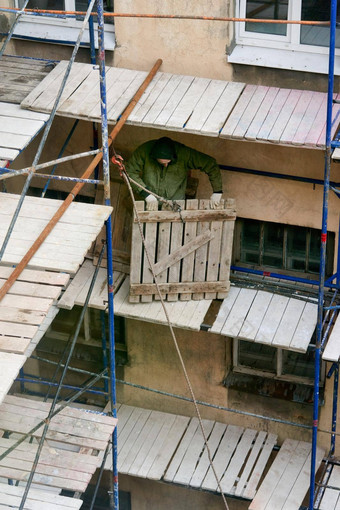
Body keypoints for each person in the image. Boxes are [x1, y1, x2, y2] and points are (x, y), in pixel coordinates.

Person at [125, 136, 223, 211]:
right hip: (149, 203)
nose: (166, 165)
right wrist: (146, 194)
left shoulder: (185, 154)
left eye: (168, 163)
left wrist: (217, 192)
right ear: (154, 157)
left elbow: (211, 164)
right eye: (162, 163)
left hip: (174, 205)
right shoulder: (144, 151)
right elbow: (129, 172)